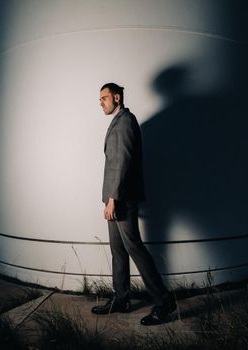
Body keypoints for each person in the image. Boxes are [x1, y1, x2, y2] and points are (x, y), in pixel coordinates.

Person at [91, 82, 176, 325]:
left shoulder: (126, 121)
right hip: (114, 199)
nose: (101, 103)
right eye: (99, 99)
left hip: (121, 199)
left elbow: (123, 161)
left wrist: (113, 199)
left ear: (117, 98)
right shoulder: (117, 121)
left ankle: (163, 301)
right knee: (118, 251)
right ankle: (121, 299)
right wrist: (109, 198)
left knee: (134, 248)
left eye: (104, 98)